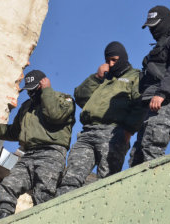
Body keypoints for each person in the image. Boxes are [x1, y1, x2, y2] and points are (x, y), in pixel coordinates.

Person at [0, 70, 75, 220]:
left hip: (51, 153)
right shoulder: (26, 107)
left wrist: (47, 91)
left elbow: (55, 115)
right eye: (28, 90)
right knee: (9, 184)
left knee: (43, 193)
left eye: (33, 89)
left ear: (41, 84)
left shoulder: (63, 99)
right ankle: (3, 219)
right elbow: (14, 132)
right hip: (29, 154)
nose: (30, 93)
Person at [56, 41, 146, 196]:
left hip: (113, 133)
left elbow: (140, 104)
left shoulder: (134, 77)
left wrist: (128, 130)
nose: (111, 64)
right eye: (108, 60)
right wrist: (97, 77)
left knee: (107, 181)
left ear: (123, 57)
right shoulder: (103, 79)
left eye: (115, 60)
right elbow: (80, 96)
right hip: (88, 133)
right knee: (70, 178)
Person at [129, 6, 170, 167]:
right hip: (153, 104)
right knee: (136, 158)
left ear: (165, 22)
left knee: (151, 149)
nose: (152, 29)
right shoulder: (163, 43)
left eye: (155, 25)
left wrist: (162, 93)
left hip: (168, 101)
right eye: (149, 26)